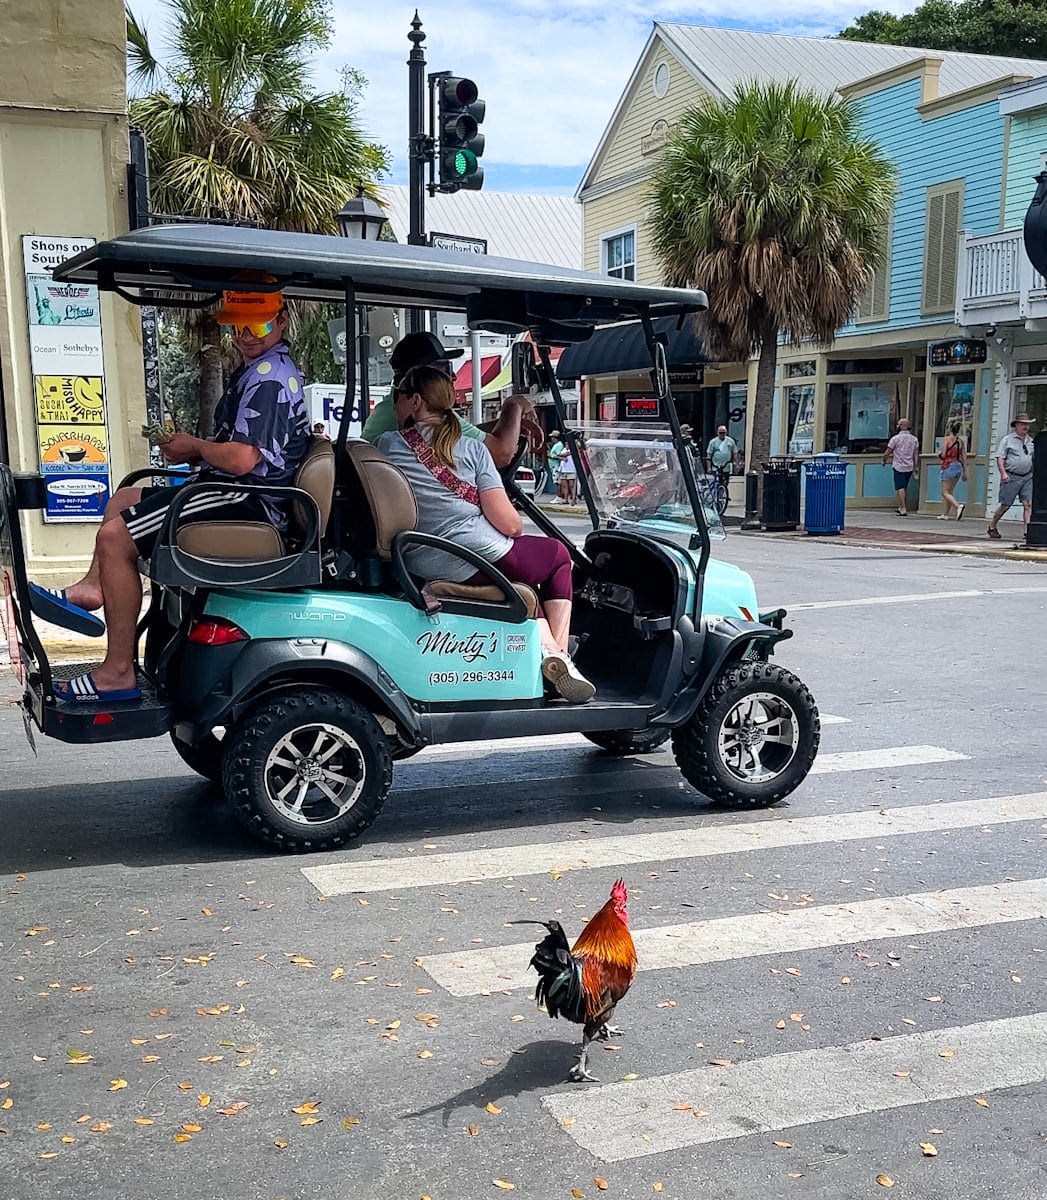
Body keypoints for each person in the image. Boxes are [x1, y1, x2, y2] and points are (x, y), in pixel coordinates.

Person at [28, 283, 309, 703]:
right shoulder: (258, 369)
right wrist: (194, 450)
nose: (247, 335)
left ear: (282, 321)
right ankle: (94, 586)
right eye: (238, 326)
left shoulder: (270, 378)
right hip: (232, 488)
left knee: (114, 538)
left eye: (259, 324)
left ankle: (117, 673)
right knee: (122, 501)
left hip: (247, 499)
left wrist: (194, 446)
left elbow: (242, 459)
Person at [376, 365, 594, 704]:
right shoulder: (472, 450)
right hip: (473, 555)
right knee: (558, 556)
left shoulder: (387, 444)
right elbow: (512, 526)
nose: (395, 402)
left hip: (418, 557)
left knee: (523, 590)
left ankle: (547, 652)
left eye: (398, 395)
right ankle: (562, 655)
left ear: (415, 401)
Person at [362, 331, 542, 468]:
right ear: (424, 375)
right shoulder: (424, 411)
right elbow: (501, 454)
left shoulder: (390, 407)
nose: (453, 376)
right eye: (445, 369)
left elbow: (457, 435)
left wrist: (508, 424)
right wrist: (513, 405)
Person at [987, 413, 1036, 539]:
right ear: (1017, 425)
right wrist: (1003, 473)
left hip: (1027, 476)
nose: (1025, 427)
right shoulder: (1007, 440)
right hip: (1011, 476)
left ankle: (1028, 531)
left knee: (1028, 504)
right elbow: (1000, 458)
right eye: (1023, 424)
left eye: (1027, 424)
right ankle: (992, 526)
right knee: (1005, 505)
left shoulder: (1031, 441)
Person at [882, 417, 920, 516]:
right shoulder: (914, 439)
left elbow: (887, 452)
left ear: (903, 426)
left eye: (898, 424)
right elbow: (915, 455)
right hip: (909, 466)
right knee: (903, 487)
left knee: (900, 487)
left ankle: (903, 508)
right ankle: (900, 506)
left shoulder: (895, 439)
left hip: (898, 466)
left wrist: (884, 460)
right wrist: (915, 466)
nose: (897, 426)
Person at [937, 422, 967, 520]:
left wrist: (939, 454)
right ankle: (945, 514)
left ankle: (958, 506)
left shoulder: (947, 439)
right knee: (950, 492)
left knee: (945, 492)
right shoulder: (960, 441)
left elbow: (943, 455)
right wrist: (964, 471)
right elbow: (964, 457)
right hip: (958, 466)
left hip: (948, 465)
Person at [547, 430, 565, 501]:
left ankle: (559, 496)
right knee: (556, 482)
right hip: (553, 466)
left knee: (557, 482)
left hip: (556, 466)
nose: (551, 439)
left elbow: (559, 455)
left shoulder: (559, 445)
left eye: (552, 437)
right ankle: (559, 496)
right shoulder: (556, 445)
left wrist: (551, 456)